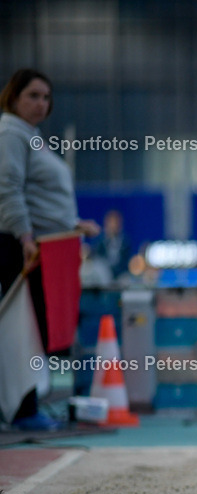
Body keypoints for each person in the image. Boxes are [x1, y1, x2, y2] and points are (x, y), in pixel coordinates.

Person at [0, 68, 100, 431]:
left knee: (36, 328)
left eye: (46, 97)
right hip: (22, 248)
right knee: (24, 329)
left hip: (43, 244)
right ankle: (23, 410)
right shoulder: (11, 132)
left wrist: (72, 224)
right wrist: (25, 238)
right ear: (13, 97)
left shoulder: (31, 136)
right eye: (33, 96)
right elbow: (8, 189)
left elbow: (40, 197)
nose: (41, 103)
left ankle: (26, 405)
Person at [90, 209, 133, 280]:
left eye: (115, 223)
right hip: (104, 273)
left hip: (120, 274)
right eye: (111, 223)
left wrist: (115, 272)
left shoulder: (125, 242)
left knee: (126, 279)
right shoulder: (100, 241)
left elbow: (125, 262)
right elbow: (97, 258)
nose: (113, 226)